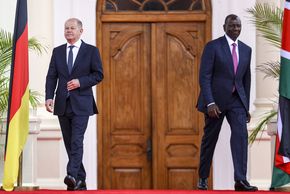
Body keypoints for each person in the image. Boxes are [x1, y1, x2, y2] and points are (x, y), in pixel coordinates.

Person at [196, 14, 258, 191]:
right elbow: (204, 77)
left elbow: (246, 80)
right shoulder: (213, 47)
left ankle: (240, 180)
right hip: (215, 103)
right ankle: (203, 178)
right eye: (232, 26)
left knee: (240, 137)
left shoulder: (246, 50)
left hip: (237, 101)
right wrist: (210, 103)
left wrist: (246, 106)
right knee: (210, 140)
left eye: (238, 26)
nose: (235, 29)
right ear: (224, 27)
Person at [45, 18, 103, 191]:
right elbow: (51, 76)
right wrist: (49, 97)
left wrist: (80, 81)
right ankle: (80, 180)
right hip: (62, 103)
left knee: (77, 140)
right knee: (70, 143)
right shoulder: (58, 52)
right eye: (66, 28)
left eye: (72, 28)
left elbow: (98, 75)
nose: (68, 31)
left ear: (81, 31)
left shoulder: (91, 51)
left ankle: (71, 174)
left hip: (82, 103)